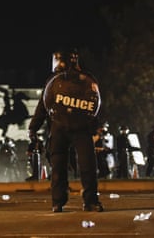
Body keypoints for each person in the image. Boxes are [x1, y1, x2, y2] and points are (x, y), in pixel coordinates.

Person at [28, 48, 104, 213]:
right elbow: (44, 105)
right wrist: (33, 127)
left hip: (78, 127)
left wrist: (34, 127)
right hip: (60, 127)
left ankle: (89, 201)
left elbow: (93, 103)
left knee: (86, 165)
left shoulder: (84, 81)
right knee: (59, 166)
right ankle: (59, 201)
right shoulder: (54, 82)